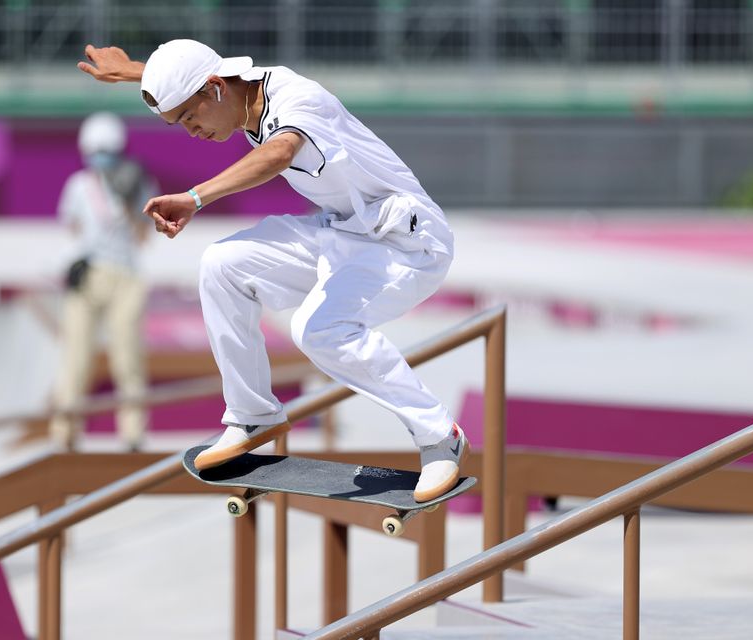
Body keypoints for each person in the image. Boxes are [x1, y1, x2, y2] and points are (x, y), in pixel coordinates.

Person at [78, 40, 467, 501]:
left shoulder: (299, 98)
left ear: (216, 90)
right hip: (344, 234)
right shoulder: (234, 89)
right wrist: (133, 73)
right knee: (221, 265)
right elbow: (192, 74)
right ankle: (252, 414)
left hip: (407, 243)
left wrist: (195, 197)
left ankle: (439, 435)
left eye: (189, 118)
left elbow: (278, 154)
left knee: (318, 328)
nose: (192, 132)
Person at [50, 112, 157, 451]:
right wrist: (73, 261)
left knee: (127, 359)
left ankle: (132, 435)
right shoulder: (78, 185)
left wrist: (129, 202)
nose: (100, 156)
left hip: (126, 277)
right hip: (88, 278)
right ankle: (64, 435)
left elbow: (143, 238)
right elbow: (71, 230)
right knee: (76, 359)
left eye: (106, 149)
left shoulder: (140, 182)